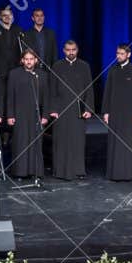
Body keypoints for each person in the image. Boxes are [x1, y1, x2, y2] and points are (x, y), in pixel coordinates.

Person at [46, 39, 92, 180]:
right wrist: (52, 109)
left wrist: (89, 108)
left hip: (78, 110)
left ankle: (78, 170)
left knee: (77, 141)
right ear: (63, 51)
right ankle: (59, 170)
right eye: (68, 50)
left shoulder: (84, 66)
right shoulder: (57, 66)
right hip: (61, 109)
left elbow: (89, 89)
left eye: (73, 50)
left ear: (77, 50)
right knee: (61, 141)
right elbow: (51, 89)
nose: (71, 52)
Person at [102, 42, 132, 182]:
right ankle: (113, 173)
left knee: (128, 143)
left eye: (121, 54)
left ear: (128, 55)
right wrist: (106, 112)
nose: (118, 56)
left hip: (129, 115)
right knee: (114, 143)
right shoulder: (113, 71)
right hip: (114, 113)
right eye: (117, 53)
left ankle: (127, 173)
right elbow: (107, 92)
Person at [4, 50, 46, 179]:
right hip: (19, 113)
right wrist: (10, 115)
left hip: (35, 114)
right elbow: (10, 96)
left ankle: (35, 172)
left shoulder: (41, 75)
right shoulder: (14, 74)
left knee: (35, 143)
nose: (28, 61)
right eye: (26, 59)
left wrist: (45, 115)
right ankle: (20, 172)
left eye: (31, 59)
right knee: (20, 143)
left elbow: (47, 97)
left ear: (36, 60)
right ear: (22, 60)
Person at [0, 5, 25, 74]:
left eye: (9, 15)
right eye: (4, 15)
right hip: (0, 68)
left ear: (12, 16)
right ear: (0, 17)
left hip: (16, 66)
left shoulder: (19, 30)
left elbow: (22, 48)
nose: (7, 17)